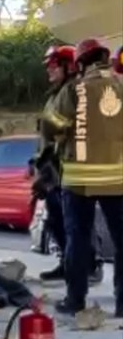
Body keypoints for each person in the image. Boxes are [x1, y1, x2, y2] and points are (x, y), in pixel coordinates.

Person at [42, 38, 123, 318]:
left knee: (77, 237)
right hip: (118, 179)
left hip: (78, 180)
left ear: (79, 63)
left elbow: (52, 127)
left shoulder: (76, 89)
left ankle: (75, 300)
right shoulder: (121, 86)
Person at [34, 45, 103, 284]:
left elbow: (64, 129)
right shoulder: (58, 93)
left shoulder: (75, 90)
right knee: (56, 219)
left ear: (69, 66)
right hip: (54, 165)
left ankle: (90, 267)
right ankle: (69, 264)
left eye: (53, 66)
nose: (49, 71)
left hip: (67, 164)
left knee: (76, 222)